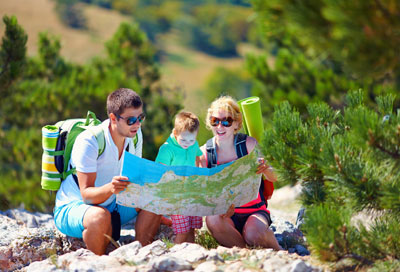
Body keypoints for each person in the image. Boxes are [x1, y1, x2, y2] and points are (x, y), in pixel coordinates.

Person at [54, 88, 162, 255]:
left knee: (155, 195)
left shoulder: (135, 135)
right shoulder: (90, 141)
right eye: (131, 120)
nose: (137, 124)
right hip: (75, 206)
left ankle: (140, 256)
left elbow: (137, 182)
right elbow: (87, 195)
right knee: (100, 217)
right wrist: (111, 188)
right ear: (113, 118)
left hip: (112, 205)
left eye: (140, 118)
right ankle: (99, 264)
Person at [198, 96, 281, 250]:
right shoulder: (205, 153)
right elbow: (205, 191)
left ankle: (281, 251)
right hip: (227, 214)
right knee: (212, 220)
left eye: (226, 121)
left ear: (236, 123)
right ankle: (245, 252)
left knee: (253, 235)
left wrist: (267, 169)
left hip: (255, 210)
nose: (220, 126)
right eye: (215, 121)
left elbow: (274, 177)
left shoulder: (248, 145)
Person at [155, 111, 203, 243]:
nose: (187, 143)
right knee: (182, 230)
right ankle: (177, 254)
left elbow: (198, 155)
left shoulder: (194, 144)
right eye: (183, 139)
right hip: (175, 195)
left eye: (191, 139)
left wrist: (198, 170)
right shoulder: (167, 149)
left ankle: (192, 250)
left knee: (192, 226)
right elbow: (160, 171)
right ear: (175, 133)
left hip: (191, 191)